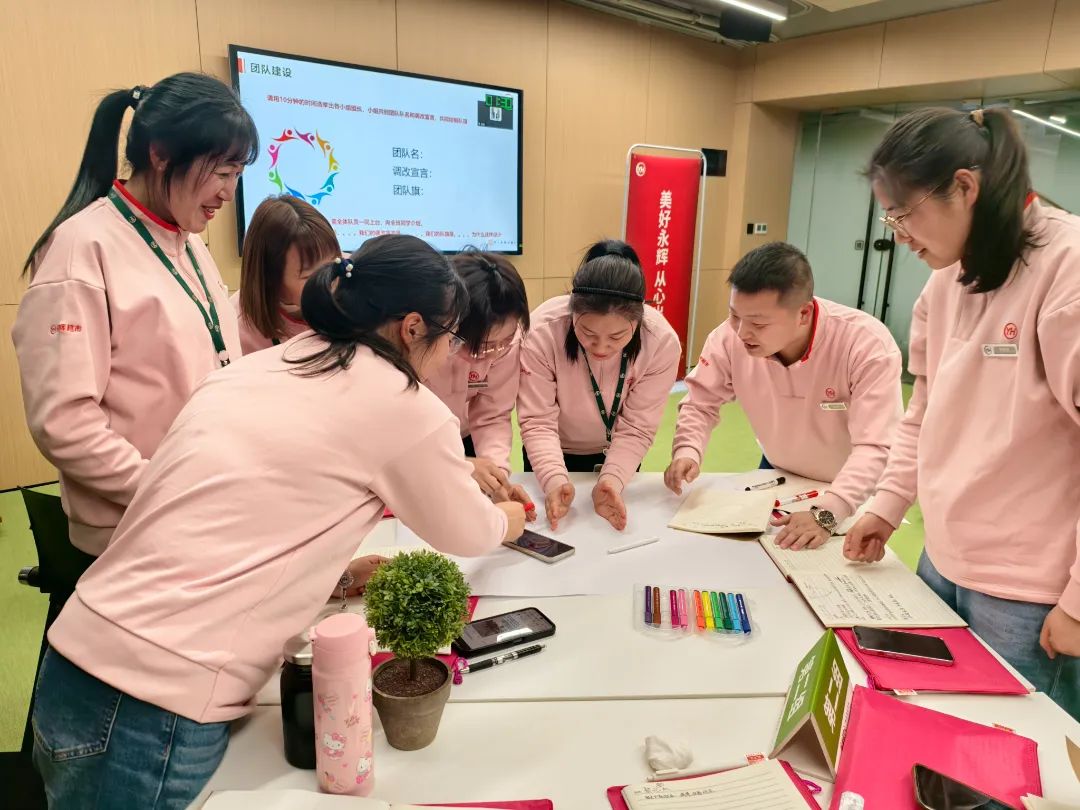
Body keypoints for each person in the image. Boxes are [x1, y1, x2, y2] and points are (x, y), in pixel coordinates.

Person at [32, 234, 527, 807]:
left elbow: (239, 514)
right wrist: (508, 518)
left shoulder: (262, 367)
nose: (448, 357)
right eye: (451, 339)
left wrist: (335, 575)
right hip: (151, 703)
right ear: (413, 328)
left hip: (76, 659)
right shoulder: (400, 403)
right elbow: (467, 532)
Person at [843, 107, 1080, 718]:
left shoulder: (1067, 266)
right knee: (933, 724)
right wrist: (888, 504)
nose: (898, 233)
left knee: (1013, 747)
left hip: (1030, 590)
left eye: (903, 213)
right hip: (944, 555)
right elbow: (923, 410)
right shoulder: (946, 280)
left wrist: (1079, 604)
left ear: (966, 187)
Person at [12, 72, 256, 558]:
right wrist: (161, 489)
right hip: (134, 532)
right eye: (222, 173)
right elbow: (65, 422)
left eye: (237, 176)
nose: (228, 194)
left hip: (198, 511)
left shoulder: (189, 245)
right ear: (160, 153)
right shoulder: (81, 249)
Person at [665, 242, 903, 550]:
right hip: (778, 471)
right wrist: (688, 449)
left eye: (758, 323)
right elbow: (701, 402)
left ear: (803, 314)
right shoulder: (728, 338)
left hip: (849, 486)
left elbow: (875, 446)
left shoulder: (866, 344)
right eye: (734, 315)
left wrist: (828, 514)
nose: (741, 333)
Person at [518, 239, 681, 531]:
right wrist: (553, 478)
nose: (601, 347)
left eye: (617, 337)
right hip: (550, 449)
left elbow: (637, 427)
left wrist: (613, 480)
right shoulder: (543, 331)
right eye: (588, 333)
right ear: (572, 311)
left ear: (638, 319)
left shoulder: (661, 342)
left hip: (618, 451)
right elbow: (538, 421)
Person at [424, 249, 533, 515]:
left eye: (504, 341)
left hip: (463, 436)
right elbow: (401, 436)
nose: (494, 354)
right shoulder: (423, 346)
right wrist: (462, 465)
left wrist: (498, 478)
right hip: (417, 442)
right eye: (483, 346)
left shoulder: (508, 346)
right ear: (452, 326)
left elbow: (491, 415)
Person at [233, 195, 340, 354]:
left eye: (333, 265)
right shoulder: (237, 328)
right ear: (270, 278)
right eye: (310, 276)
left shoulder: (349, 275)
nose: (329, 281)